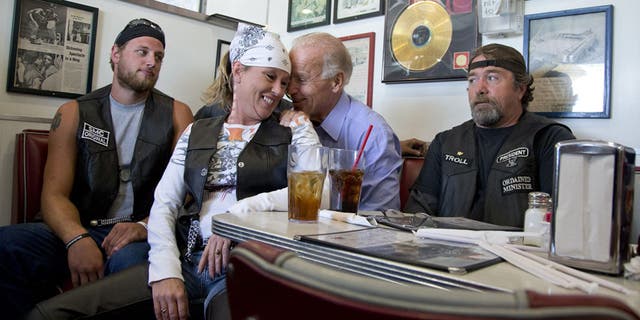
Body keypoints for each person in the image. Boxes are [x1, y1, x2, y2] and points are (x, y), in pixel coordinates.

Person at [26, 23, 320, 320]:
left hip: (247, 267)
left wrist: (235, 218)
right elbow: (165, 204)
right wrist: (166, 271)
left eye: (284, 83)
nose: (278, 90)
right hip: (188, 261)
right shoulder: (198, 131)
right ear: (239, 71)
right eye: (270, 77)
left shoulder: (296, 128)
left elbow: (316, 196)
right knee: (48, 315)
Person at [0, 18, 193, 319]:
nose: (151, 62)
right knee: (7, 244)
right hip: (80, 225)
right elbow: (53, 196)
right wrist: (76, 239)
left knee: (131, 268)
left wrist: (143, 226)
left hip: (137, 229)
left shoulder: (178, 114)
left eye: (158, 57)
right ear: (116, 53)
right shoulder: (73, 112)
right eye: (142, 52)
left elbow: (186, 192)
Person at [404, 43, 575, 228]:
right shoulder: (446, 142)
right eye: (472, 80)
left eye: (492, 77)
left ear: (520, 89)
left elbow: (566, 222)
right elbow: (417, 214)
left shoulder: (550, 139)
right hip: (449, 252)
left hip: (514, 254)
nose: (480, 89)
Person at [287, 32, 403, 211]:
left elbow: (382, 217)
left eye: (301, 79)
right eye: (289, 79)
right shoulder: (287, 119)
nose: (290, 89)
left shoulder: (373, 135)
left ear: (336, 81)